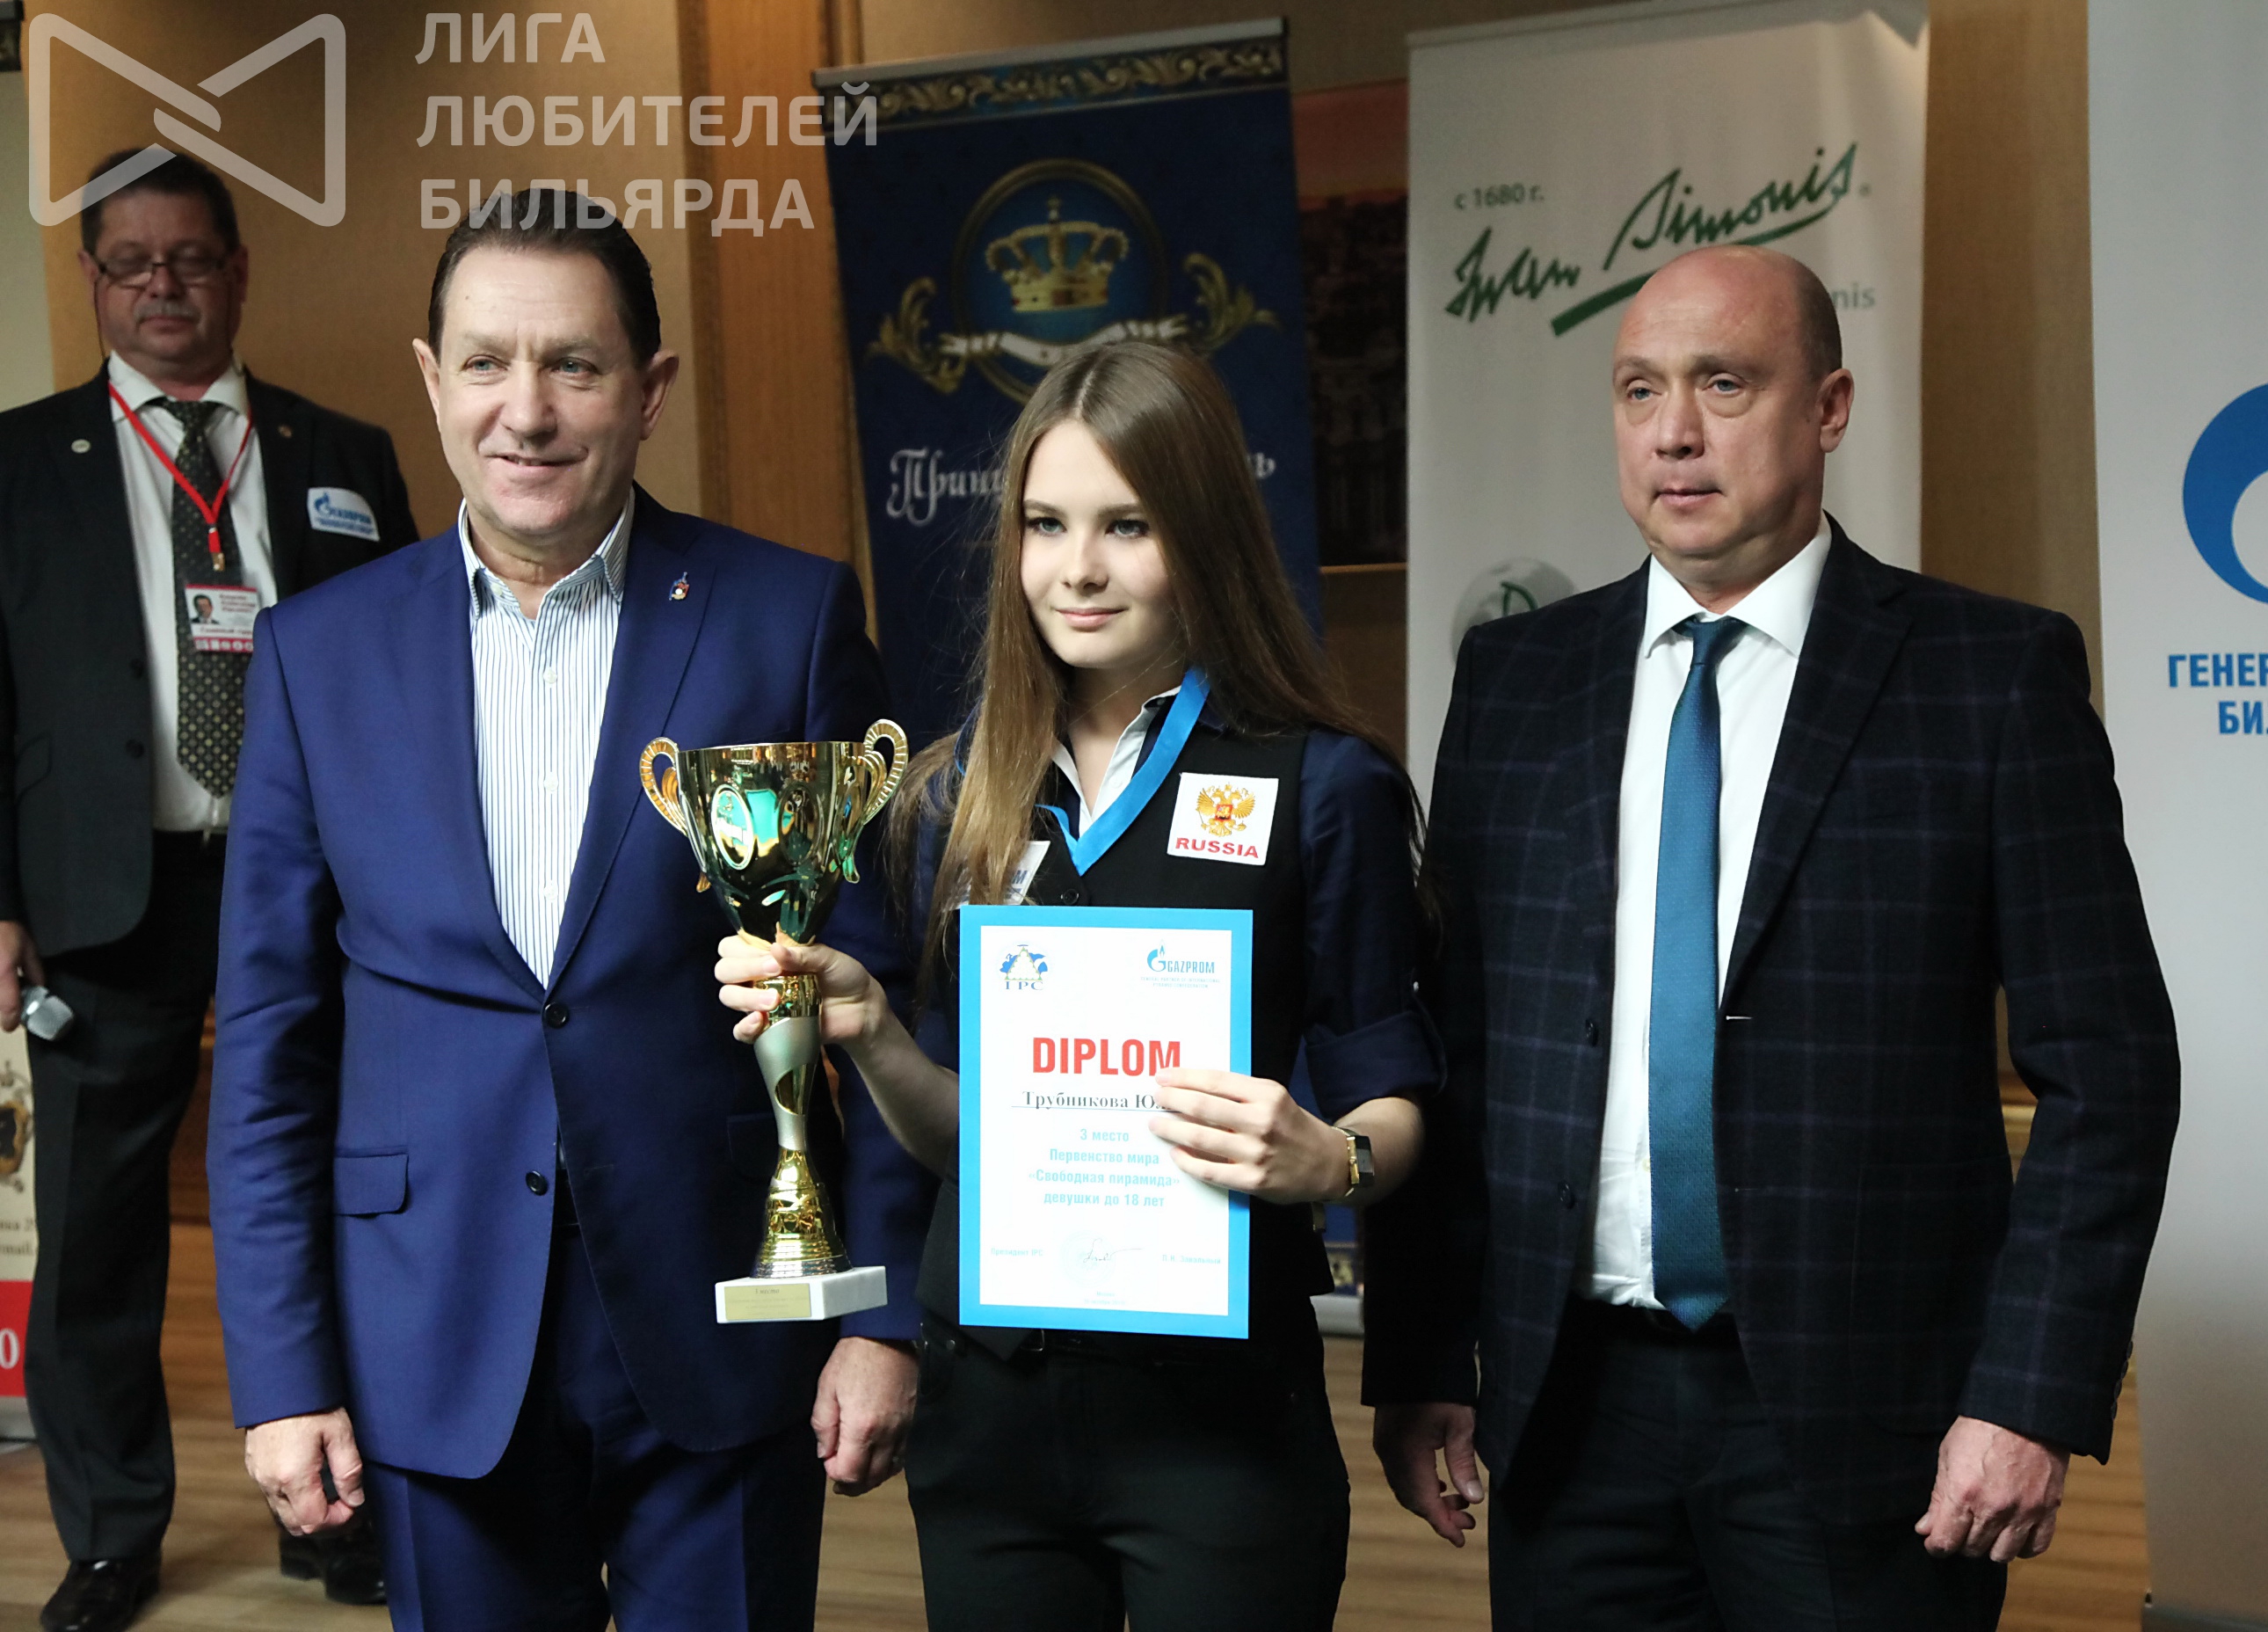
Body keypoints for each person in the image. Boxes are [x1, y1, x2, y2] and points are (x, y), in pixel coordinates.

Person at [1363, 246, 2182, 1629]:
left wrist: (2028, 1397)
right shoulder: (1515, 681)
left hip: (1878, 1429)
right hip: (1569, 1416)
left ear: (1830, 408)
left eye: (1724, 385)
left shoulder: (1988, 678)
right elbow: (1459, 1047)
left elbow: (2111, 1070)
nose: (1673, 432)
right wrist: (1424, 1355)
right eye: (1639, 391)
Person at [206, 189, 934, 1631]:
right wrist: (283, 1377)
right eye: (486, 363)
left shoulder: (784, 620)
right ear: (432, 380)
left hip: (726, 1315)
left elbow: (880, 995)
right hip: (428, 1326)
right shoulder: (316, 656)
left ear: (649, 390)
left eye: (574, 365)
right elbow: (273, 1045)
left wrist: (884, 1314)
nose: (525, 411)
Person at [715, 339, 1439, 1631]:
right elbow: (966, 1135)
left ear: (1204, 535)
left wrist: (1331, 1160)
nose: (1078, 568)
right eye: (1045, 525)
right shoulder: (957, 792)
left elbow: (1398, 1092)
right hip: (991, 1422)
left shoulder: (1320, 784)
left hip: (1218, 1422)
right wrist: (874, 1037)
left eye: (1127, 525)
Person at [0, 150, 416, 1632]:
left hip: (313, 890)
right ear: (93, 282)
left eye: (189, 258)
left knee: (341, 1200)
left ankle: (342, 1512)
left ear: (238, 273)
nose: (161, 286)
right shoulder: (16, 462)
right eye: (131, 262)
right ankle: (114, 1538)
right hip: (103, 894)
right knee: (97, 1238)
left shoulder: (342, 452)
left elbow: (409, 679)